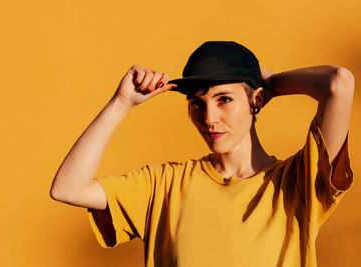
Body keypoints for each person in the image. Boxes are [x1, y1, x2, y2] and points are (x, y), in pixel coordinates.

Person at [50, 41, 354, 267]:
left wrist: (271, 84)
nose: (209, 117)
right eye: (197, 103)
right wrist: (121, 102)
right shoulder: (165, 185)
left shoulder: (297, 183)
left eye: (224, 99)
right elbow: (68, 188)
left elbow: (338, 83)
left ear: (256, 100)